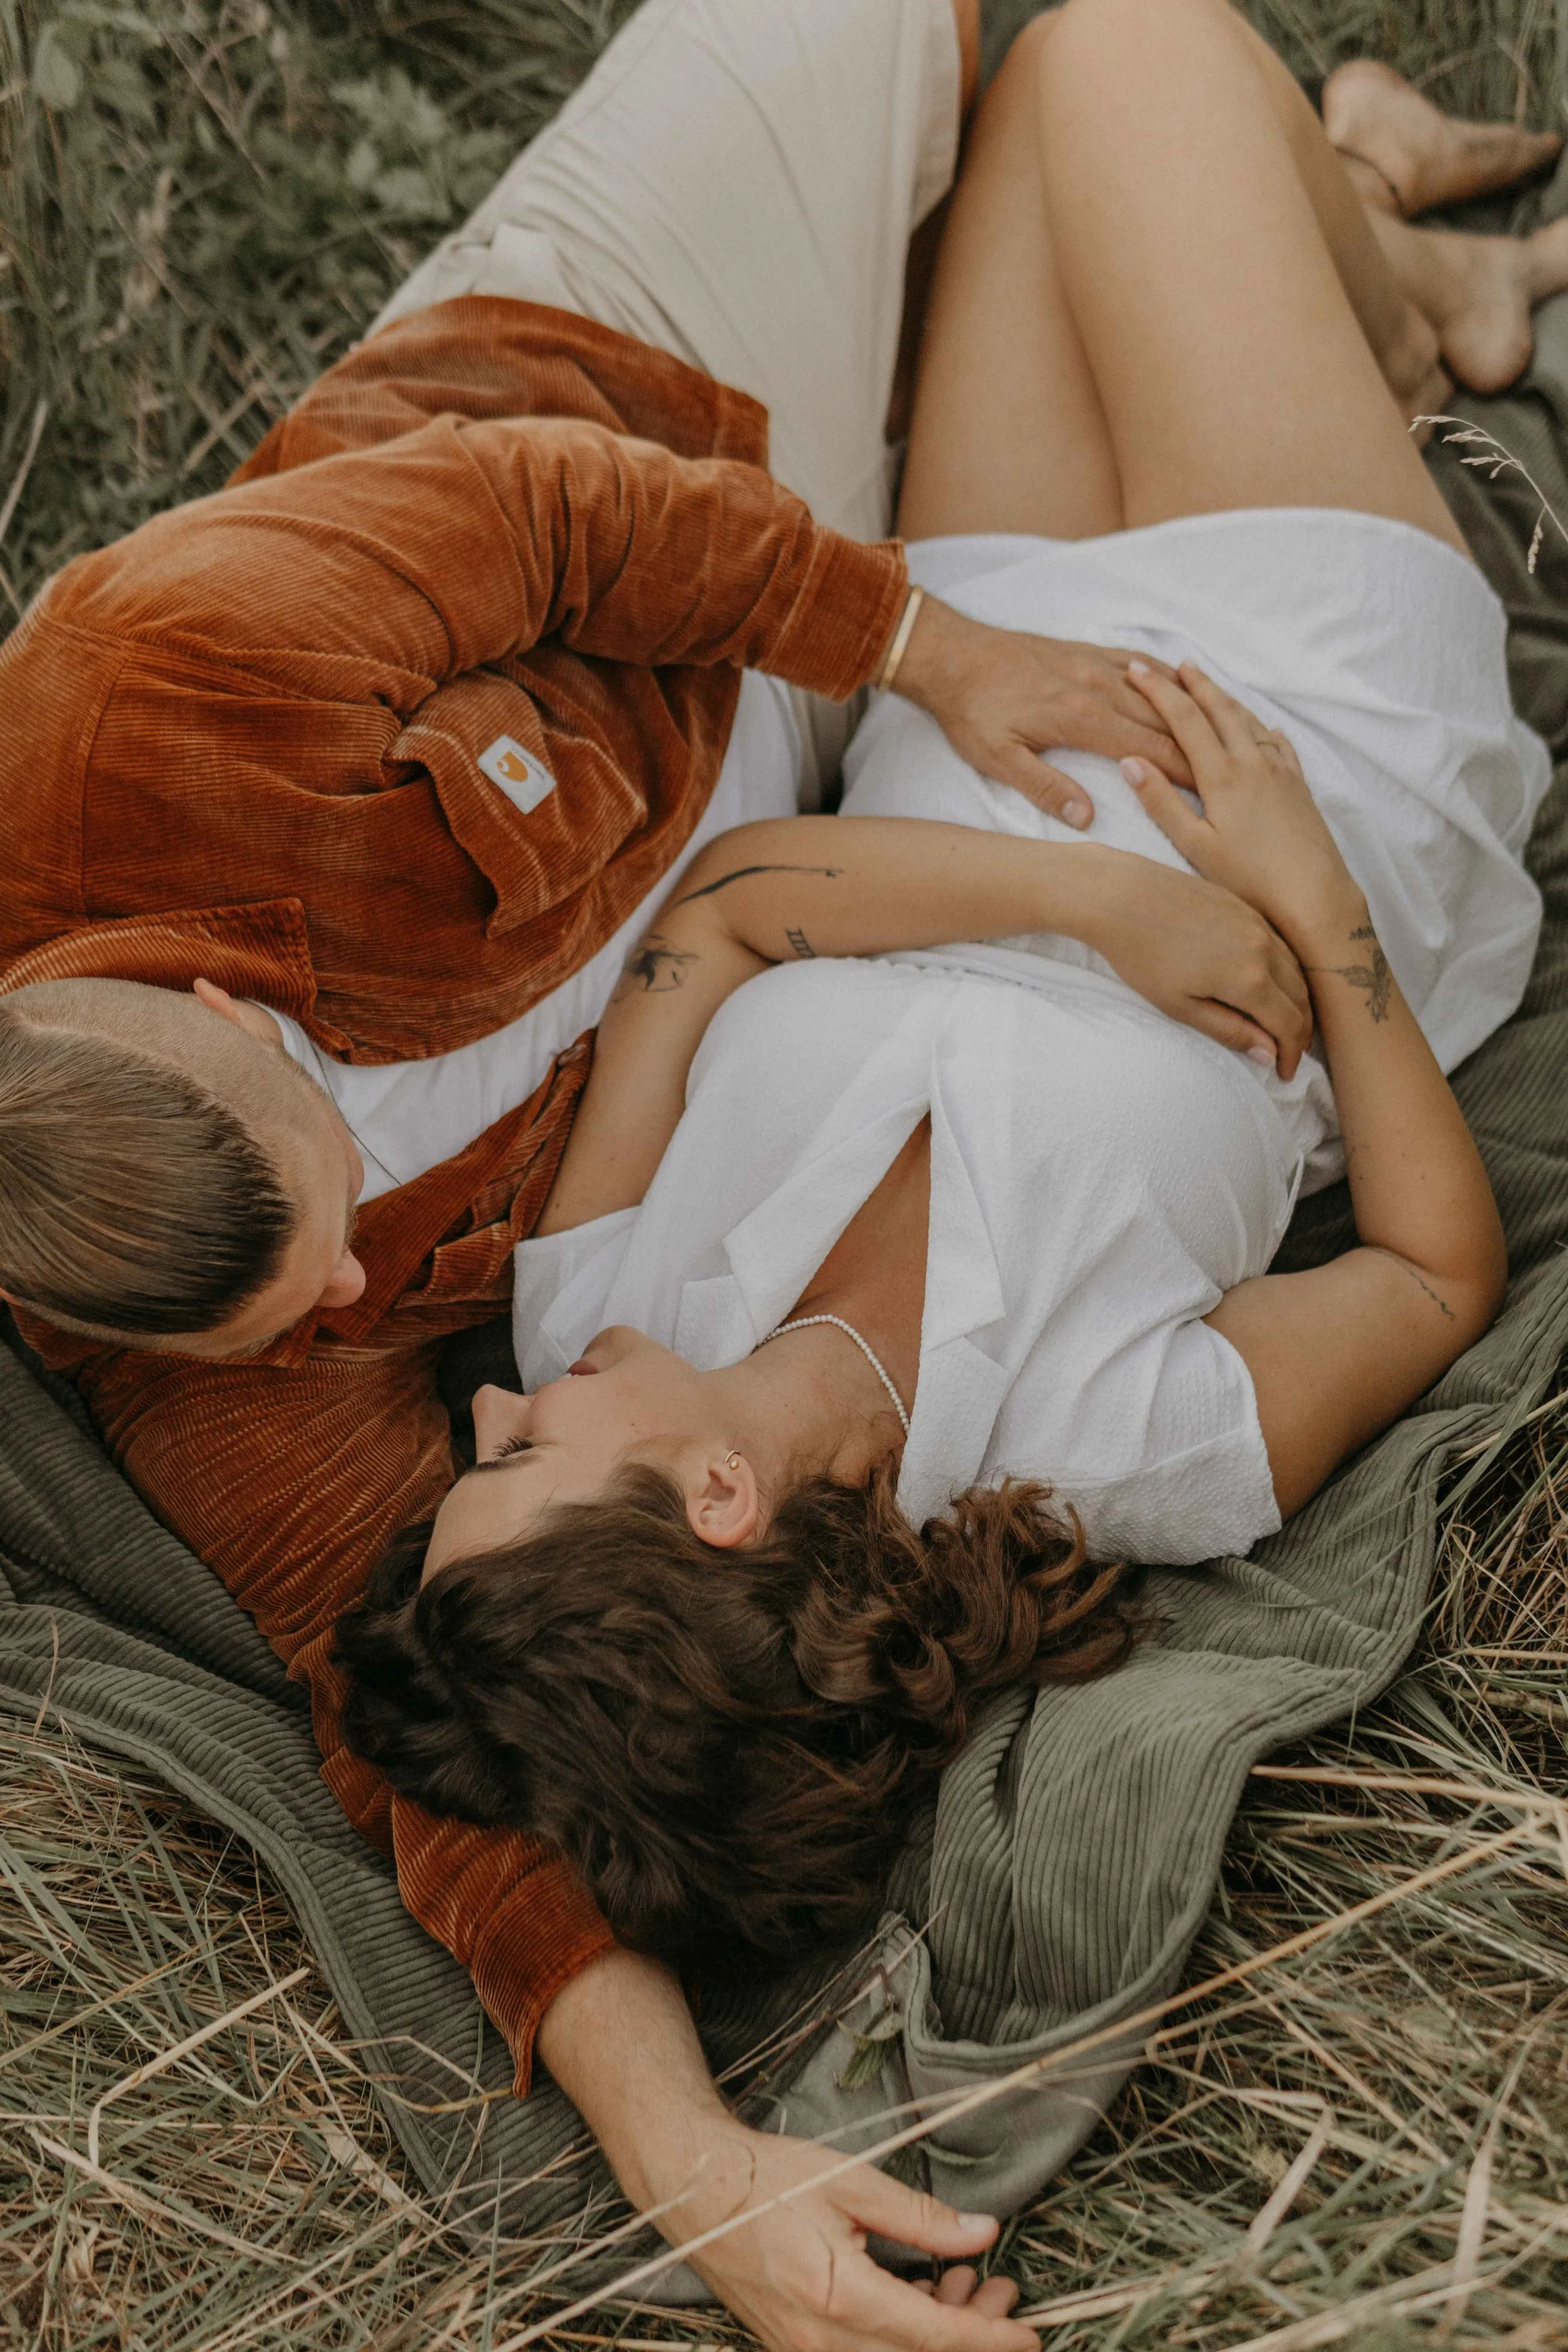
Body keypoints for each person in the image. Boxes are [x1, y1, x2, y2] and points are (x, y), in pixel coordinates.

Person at [0, 1, 1559, 2345]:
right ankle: (1398, 276)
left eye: (328, 1224)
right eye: (507, 1452)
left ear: (218, 1009)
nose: (397, 1333)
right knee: (1125, 70)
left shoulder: (163, 712)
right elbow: (1433, 1275)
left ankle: (1405, 270)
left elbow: (666, 759)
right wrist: (689, 2151)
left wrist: (1028, 783)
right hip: (1264, 733)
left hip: (820, 583)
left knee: (1033, 58)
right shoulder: (1103, 1444)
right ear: (718, 1514)